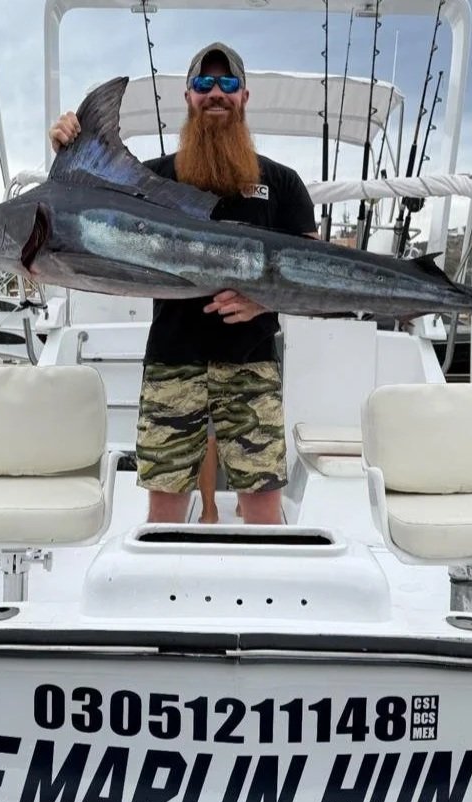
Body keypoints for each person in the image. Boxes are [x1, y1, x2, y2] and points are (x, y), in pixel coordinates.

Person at [49, 42, 318, 524]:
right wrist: (72, 145)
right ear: (188, 96)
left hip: (251, 364)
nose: (217, 93)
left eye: (228, 84)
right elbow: (82, 204)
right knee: (165, 506)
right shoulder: (149, 181)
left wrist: (261, 302)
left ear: (244, 97)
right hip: (173, 360)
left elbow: (315, 272)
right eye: (205, 84)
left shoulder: (283, 183)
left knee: (262, 507)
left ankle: (264, 593)